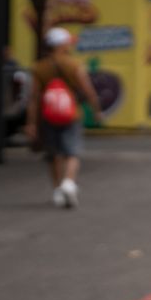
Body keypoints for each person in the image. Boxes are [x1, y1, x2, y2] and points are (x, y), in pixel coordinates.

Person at [24, 28, 101, 208]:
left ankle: (58, 190)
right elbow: (88, 90)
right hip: (71, 114)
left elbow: (34, 98)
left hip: (48, 115)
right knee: (72, 152)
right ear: (61, 45)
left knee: (54, 154)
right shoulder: (73, 64)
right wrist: (96, 109)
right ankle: (69, 182)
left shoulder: (39, 67)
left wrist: (31, 123)